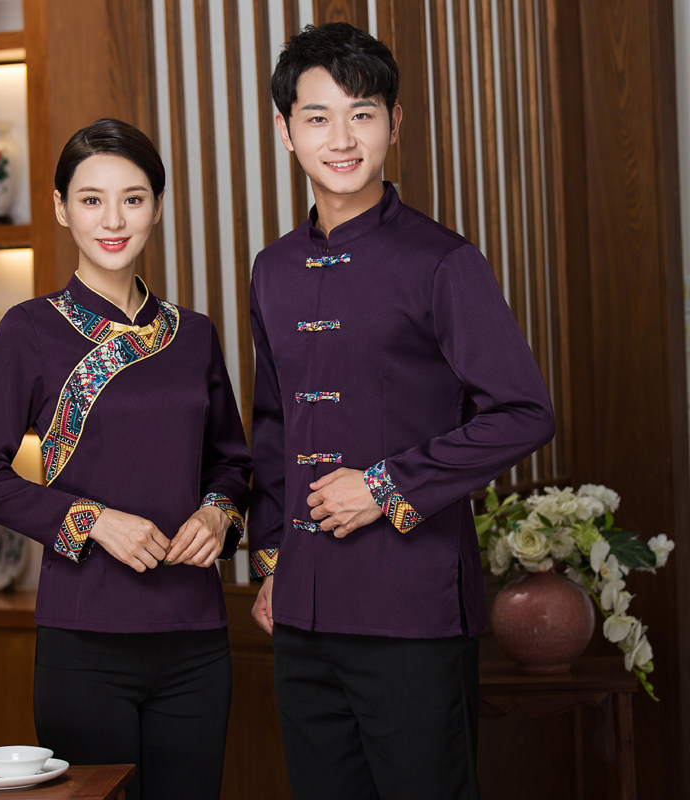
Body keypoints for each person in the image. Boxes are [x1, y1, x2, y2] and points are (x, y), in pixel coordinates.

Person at [248, 23, 555, 800]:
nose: (341, 138)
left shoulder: (443, 261)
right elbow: (273, 423)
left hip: (412, 610)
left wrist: (384, 487)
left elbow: (523, 412)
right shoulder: (272, 269)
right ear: (285, 130)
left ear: (395, 123)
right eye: (318, 117)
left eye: (362, 113)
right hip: (301, 617)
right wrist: (276, 562)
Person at [0, 118, 252, 800]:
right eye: (91, 199)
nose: (113, 220)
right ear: (62, 208)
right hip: (84, 637)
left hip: (195, 637)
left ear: (157, 206)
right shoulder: (28, 330)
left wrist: (217, 513)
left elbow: (231, 462)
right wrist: (91, 520)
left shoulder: (194, 335)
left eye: (133, 198)